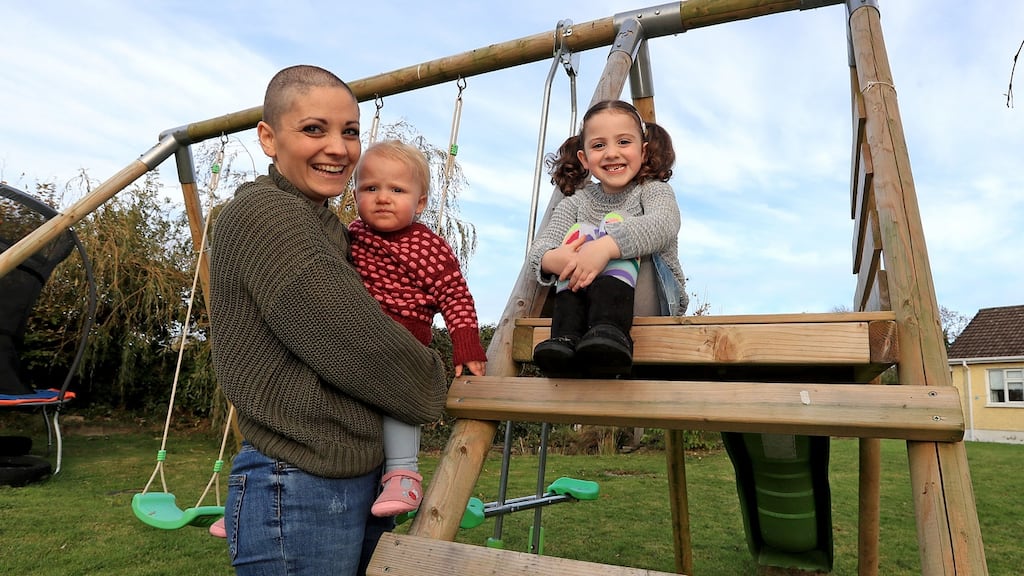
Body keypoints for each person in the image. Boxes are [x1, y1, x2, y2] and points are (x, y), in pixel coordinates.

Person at [208, 65, 449, 576]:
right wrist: (433, 380)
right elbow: (357, 343)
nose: (338, 148)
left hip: (344, 472)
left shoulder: (328, 225)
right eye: (314, 129)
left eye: (351, 131)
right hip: (298, 478)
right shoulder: (267, 214)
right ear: (269, 139)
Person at [348, 139, 487, 517]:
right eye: (370, 188)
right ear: (356, 193)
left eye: (397, 190)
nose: (382, 198)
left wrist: (467, 345)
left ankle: (404, 474)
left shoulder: (427, 245)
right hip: (356, 335)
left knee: (399, 398)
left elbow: (455, 295)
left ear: (420, 203)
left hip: (403, 337)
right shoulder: (351, 236)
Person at [527, 99, 688, 378]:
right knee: (576, 238)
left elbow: (665, 224)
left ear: (643, 149)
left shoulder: (652, 191)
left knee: (613, 226)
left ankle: (610, 330)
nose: (612, 153)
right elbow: (540, 248)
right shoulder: (576, 202)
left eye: (623, 142)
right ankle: (566, 336)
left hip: (650, 297)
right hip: (586, 303)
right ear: (584, 158)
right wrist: (556, 258)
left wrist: (606, 247)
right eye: (599, 145)